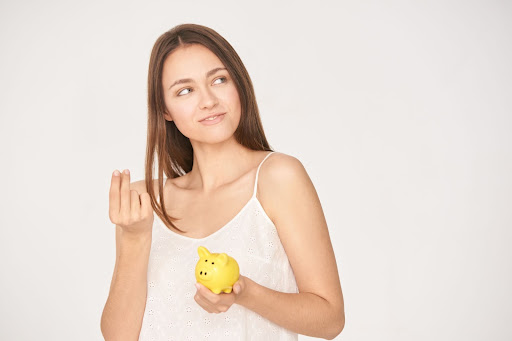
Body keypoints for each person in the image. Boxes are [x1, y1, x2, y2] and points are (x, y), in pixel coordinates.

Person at [101, 23, 345, 340]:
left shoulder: (278, 178)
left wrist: (244, 292)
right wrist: (134, 240)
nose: (208, 100)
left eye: (219, 80)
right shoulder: (144, 202)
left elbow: (330, 319)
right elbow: (118, 337)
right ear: (165, 110)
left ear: (238, 84)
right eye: (185, 90)